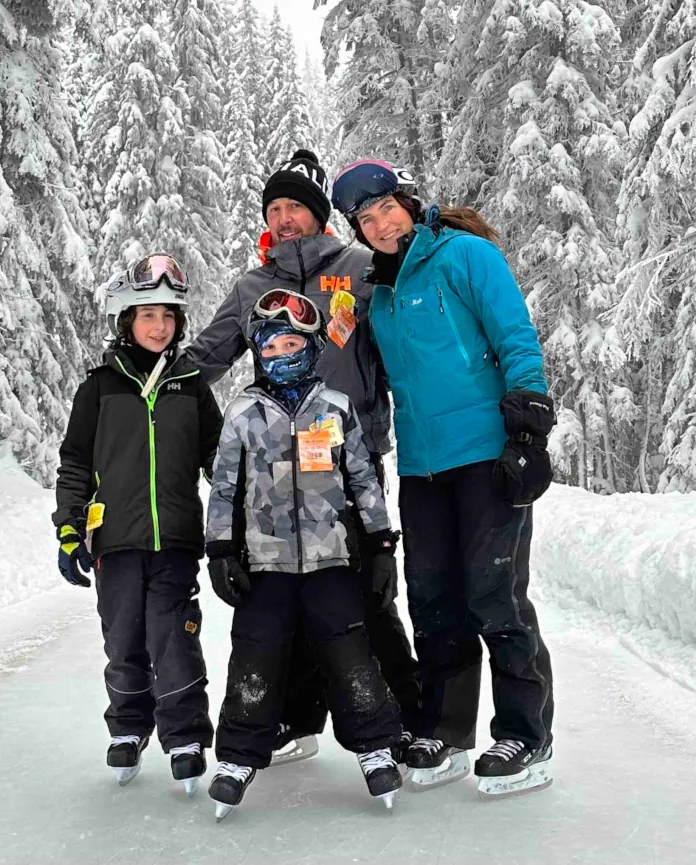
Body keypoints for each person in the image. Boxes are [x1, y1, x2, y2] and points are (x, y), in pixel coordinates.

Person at [186, 148, 422, 765]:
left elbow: (403, 342)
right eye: (275, 207)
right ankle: (296, 718)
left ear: (319, 215)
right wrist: (146, 371)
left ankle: (407, 718)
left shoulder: (361, 267)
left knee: (362, 594)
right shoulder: (253, 287)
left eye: (296, 206)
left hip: (352, 457)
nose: (285, 217)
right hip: (274, 470)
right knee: (285, 590)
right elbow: (206, 360)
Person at [330, 159, 556, 799]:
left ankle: (525, 734)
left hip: (484, 452)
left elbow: (514, 334)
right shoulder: (378, 293)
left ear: (408, 200)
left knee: (496, 597)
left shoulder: (464, 256)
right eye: (365, 221)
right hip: (420, 465)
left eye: (385, 210)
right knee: (433, 601)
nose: (378, 226)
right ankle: (447, 730)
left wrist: (529, 425)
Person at [205, 290, 404, 821]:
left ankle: (375, 746)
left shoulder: (335, 409)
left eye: (292, 341)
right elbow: (224, 487)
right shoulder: (243, 413)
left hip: (331, 561)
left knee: (350, 654)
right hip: (264, 564)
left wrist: (382, 544)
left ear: (312, 347)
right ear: (258, 353)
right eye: (270, 345)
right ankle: (238, 758)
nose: (281, 353)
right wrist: (220, 548)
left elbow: (362, 479)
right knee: (256, 654)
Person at [52, 254, 222, 797]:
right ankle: (128, 729)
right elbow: (75, 462)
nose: (160, 326)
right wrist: (69, 528)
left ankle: (186, 736)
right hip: (116, 542)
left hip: (174, 539)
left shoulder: (191, 385)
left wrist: (240, 518)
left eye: (169, 316)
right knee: (123, 639)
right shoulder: (100, 387)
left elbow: (218, 458)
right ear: (126, 320)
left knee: (173, 637)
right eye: (148, 314)